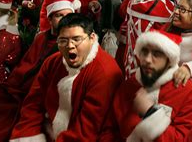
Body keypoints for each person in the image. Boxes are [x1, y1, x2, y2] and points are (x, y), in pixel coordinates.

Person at [0, 0, 75, 142]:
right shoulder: (41, 38)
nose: (65, 19)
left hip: (32, 97)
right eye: (59, 15)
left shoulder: (69, 45)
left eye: (68, 15)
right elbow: (26, 63)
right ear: (50, 19)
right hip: (13, 88)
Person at [10, 13, 123, 141]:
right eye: (63, 40)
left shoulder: (105, 72)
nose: (70, 46)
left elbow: (87, 130)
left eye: (77, 39)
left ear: (92, 38)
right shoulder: (52, 62)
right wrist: (28, 134)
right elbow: (33, 105)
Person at [113, 29, 192, 141]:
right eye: (144, 52)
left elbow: (184, 139)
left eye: (156, 54)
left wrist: (151, 113)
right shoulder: (129, 86)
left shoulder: (189, 92)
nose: (147, 59)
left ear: (169, 59)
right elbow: (111, 130)